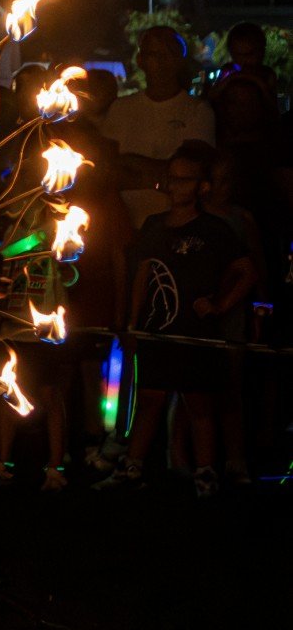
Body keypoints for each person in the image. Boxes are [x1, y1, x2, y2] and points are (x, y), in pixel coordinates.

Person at [95, 145, 255, 498]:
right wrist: (134, 324)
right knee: (149, 399)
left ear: (201, 186)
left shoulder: (214, 229)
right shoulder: (154, 225)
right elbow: (143, 273)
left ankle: (205, 475)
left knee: (198, 405)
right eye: (172, 178)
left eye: (184, 180)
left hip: (195, 333)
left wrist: (219, 305)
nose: (174, 186)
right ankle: (133, 467)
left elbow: (246, 270)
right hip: (157, 330)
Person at [101, 27, 214, 226]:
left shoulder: (198, 111)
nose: (161, 62)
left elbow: (190, 171)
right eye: (154, 54)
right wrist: (159, 176)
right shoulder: (120, 108)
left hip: (176, 226)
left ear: (180, 60)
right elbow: (106, 169)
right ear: (141, 60)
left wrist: (129, 162)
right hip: (122, 224)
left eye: (169, 54)